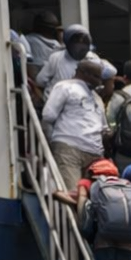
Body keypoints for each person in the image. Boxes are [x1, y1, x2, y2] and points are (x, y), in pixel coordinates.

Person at [41, 58, 107, 191]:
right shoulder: (65, 86)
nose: (100, 82)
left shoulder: (96, 97)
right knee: (73, 193)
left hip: (95, 153)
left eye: (100, 78)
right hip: (69, 149)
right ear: (83, 73)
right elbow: (48, 115)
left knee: (95, 197)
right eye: (96, 77)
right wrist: (51, 143)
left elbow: (103, 127)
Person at [34, 23, 115, 91]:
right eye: (77, 42)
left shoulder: (91, 57)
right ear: (68, 43)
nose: (80, 47)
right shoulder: (56, 58)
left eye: (84, 42)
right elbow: (40, 81)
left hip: (83, 101)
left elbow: (112, 71)